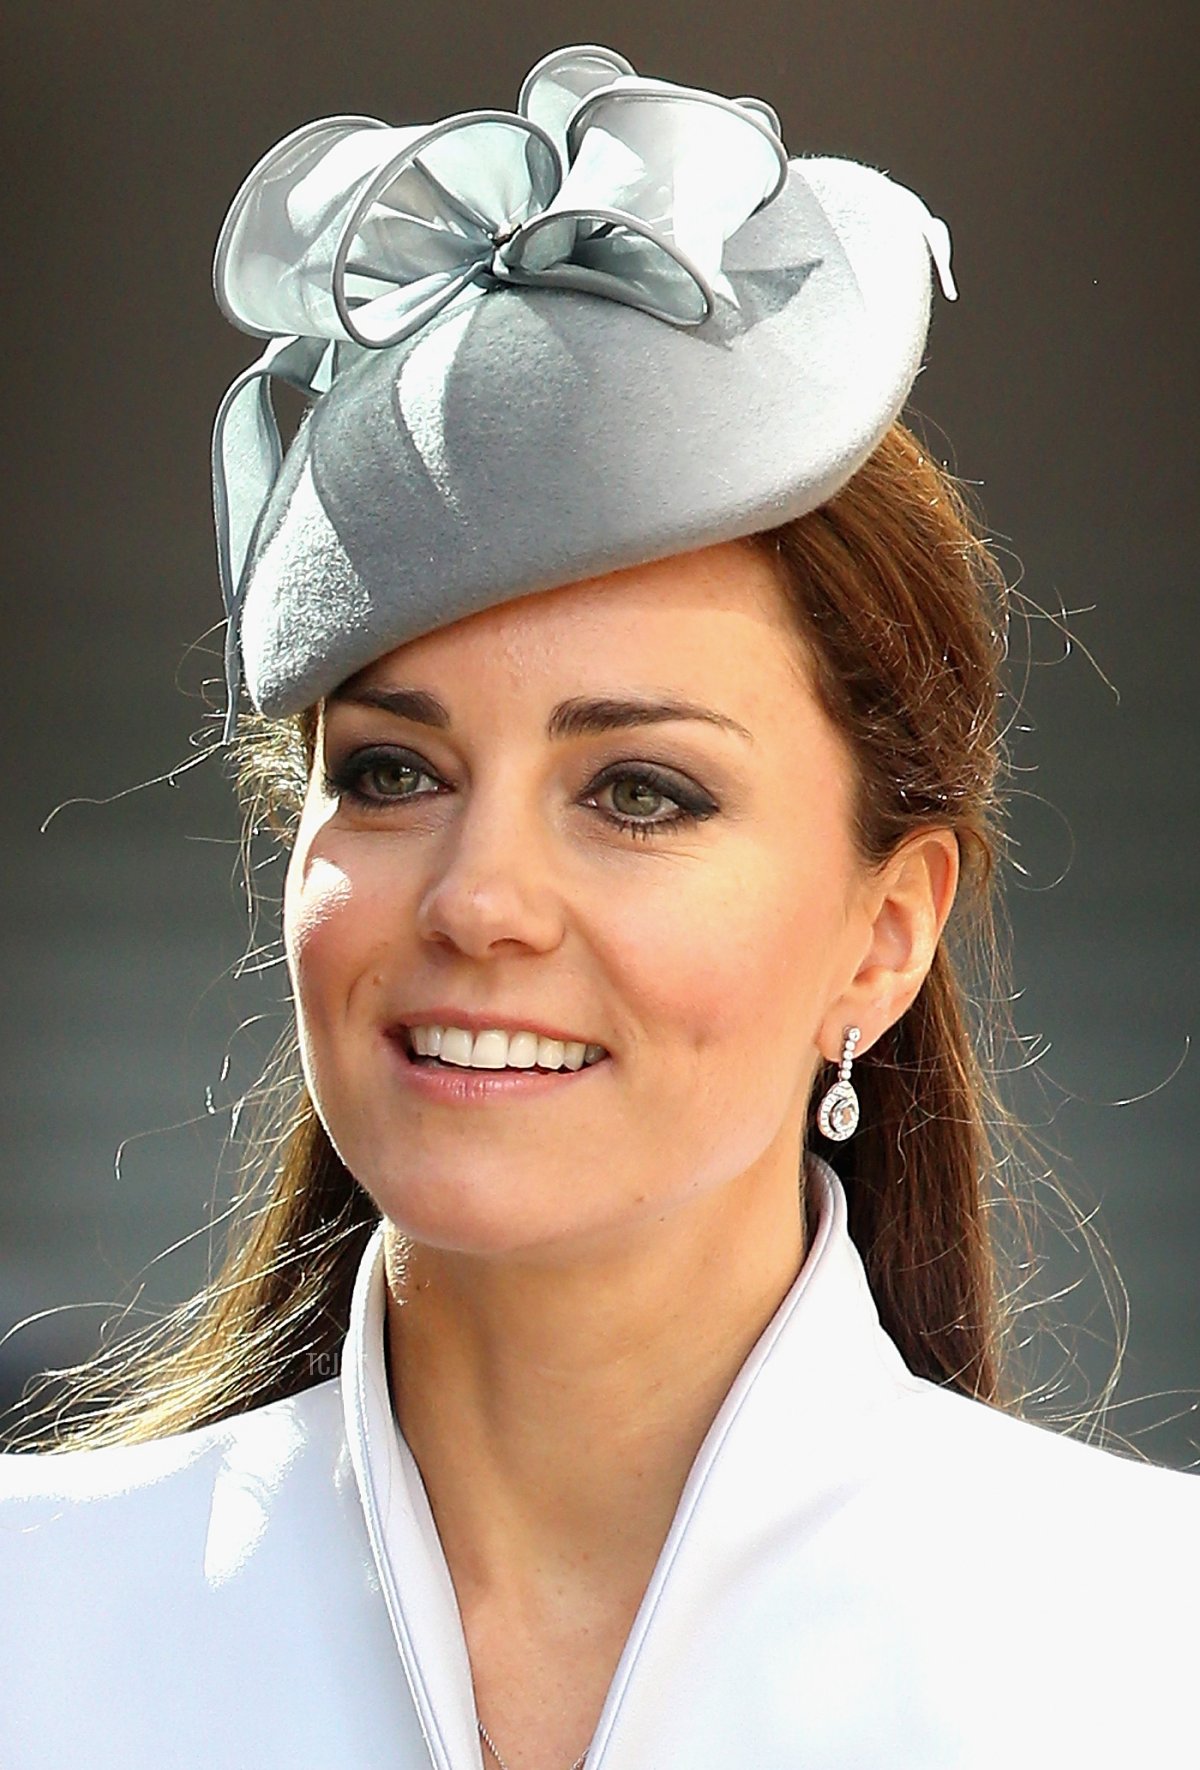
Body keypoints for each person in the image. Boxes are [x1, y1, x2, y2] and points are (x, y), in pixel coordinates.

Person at [1, 42, 1195, 1770]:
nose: (481, 899)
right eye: (394, 772)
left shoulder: (1150, 1653)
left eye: (641, 791)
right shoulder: (34, 1615)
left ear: (888, 929)